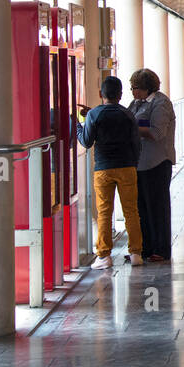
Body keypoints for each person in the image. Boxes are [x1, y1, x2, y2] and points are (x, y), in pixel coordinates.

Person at [76, 76, 144, 269]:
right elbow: (136, 143)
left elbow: (86, 141)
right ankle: (136, 253)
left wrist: (77, 126)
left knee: (105, 212)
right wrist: (133, 164)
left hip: (103, 168)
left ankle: (104, 256)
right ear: (120, 95)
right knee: (131, 211)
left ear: (100, 94)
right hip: (127, 167)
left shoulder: (94, 114)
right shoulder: (127, 114)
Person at [128, 68, 176, 263]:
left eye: (136, 88)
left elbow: (157, 133)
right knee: (141, 208)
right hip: (139, 163)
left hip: (157, 162)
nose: (133, 92)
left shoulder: (161, 103)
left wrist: (130, 128)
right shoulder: (136, 103)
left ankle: (161, 249)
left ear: (147, 87)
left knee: (157, 207)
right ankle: (145, 247)